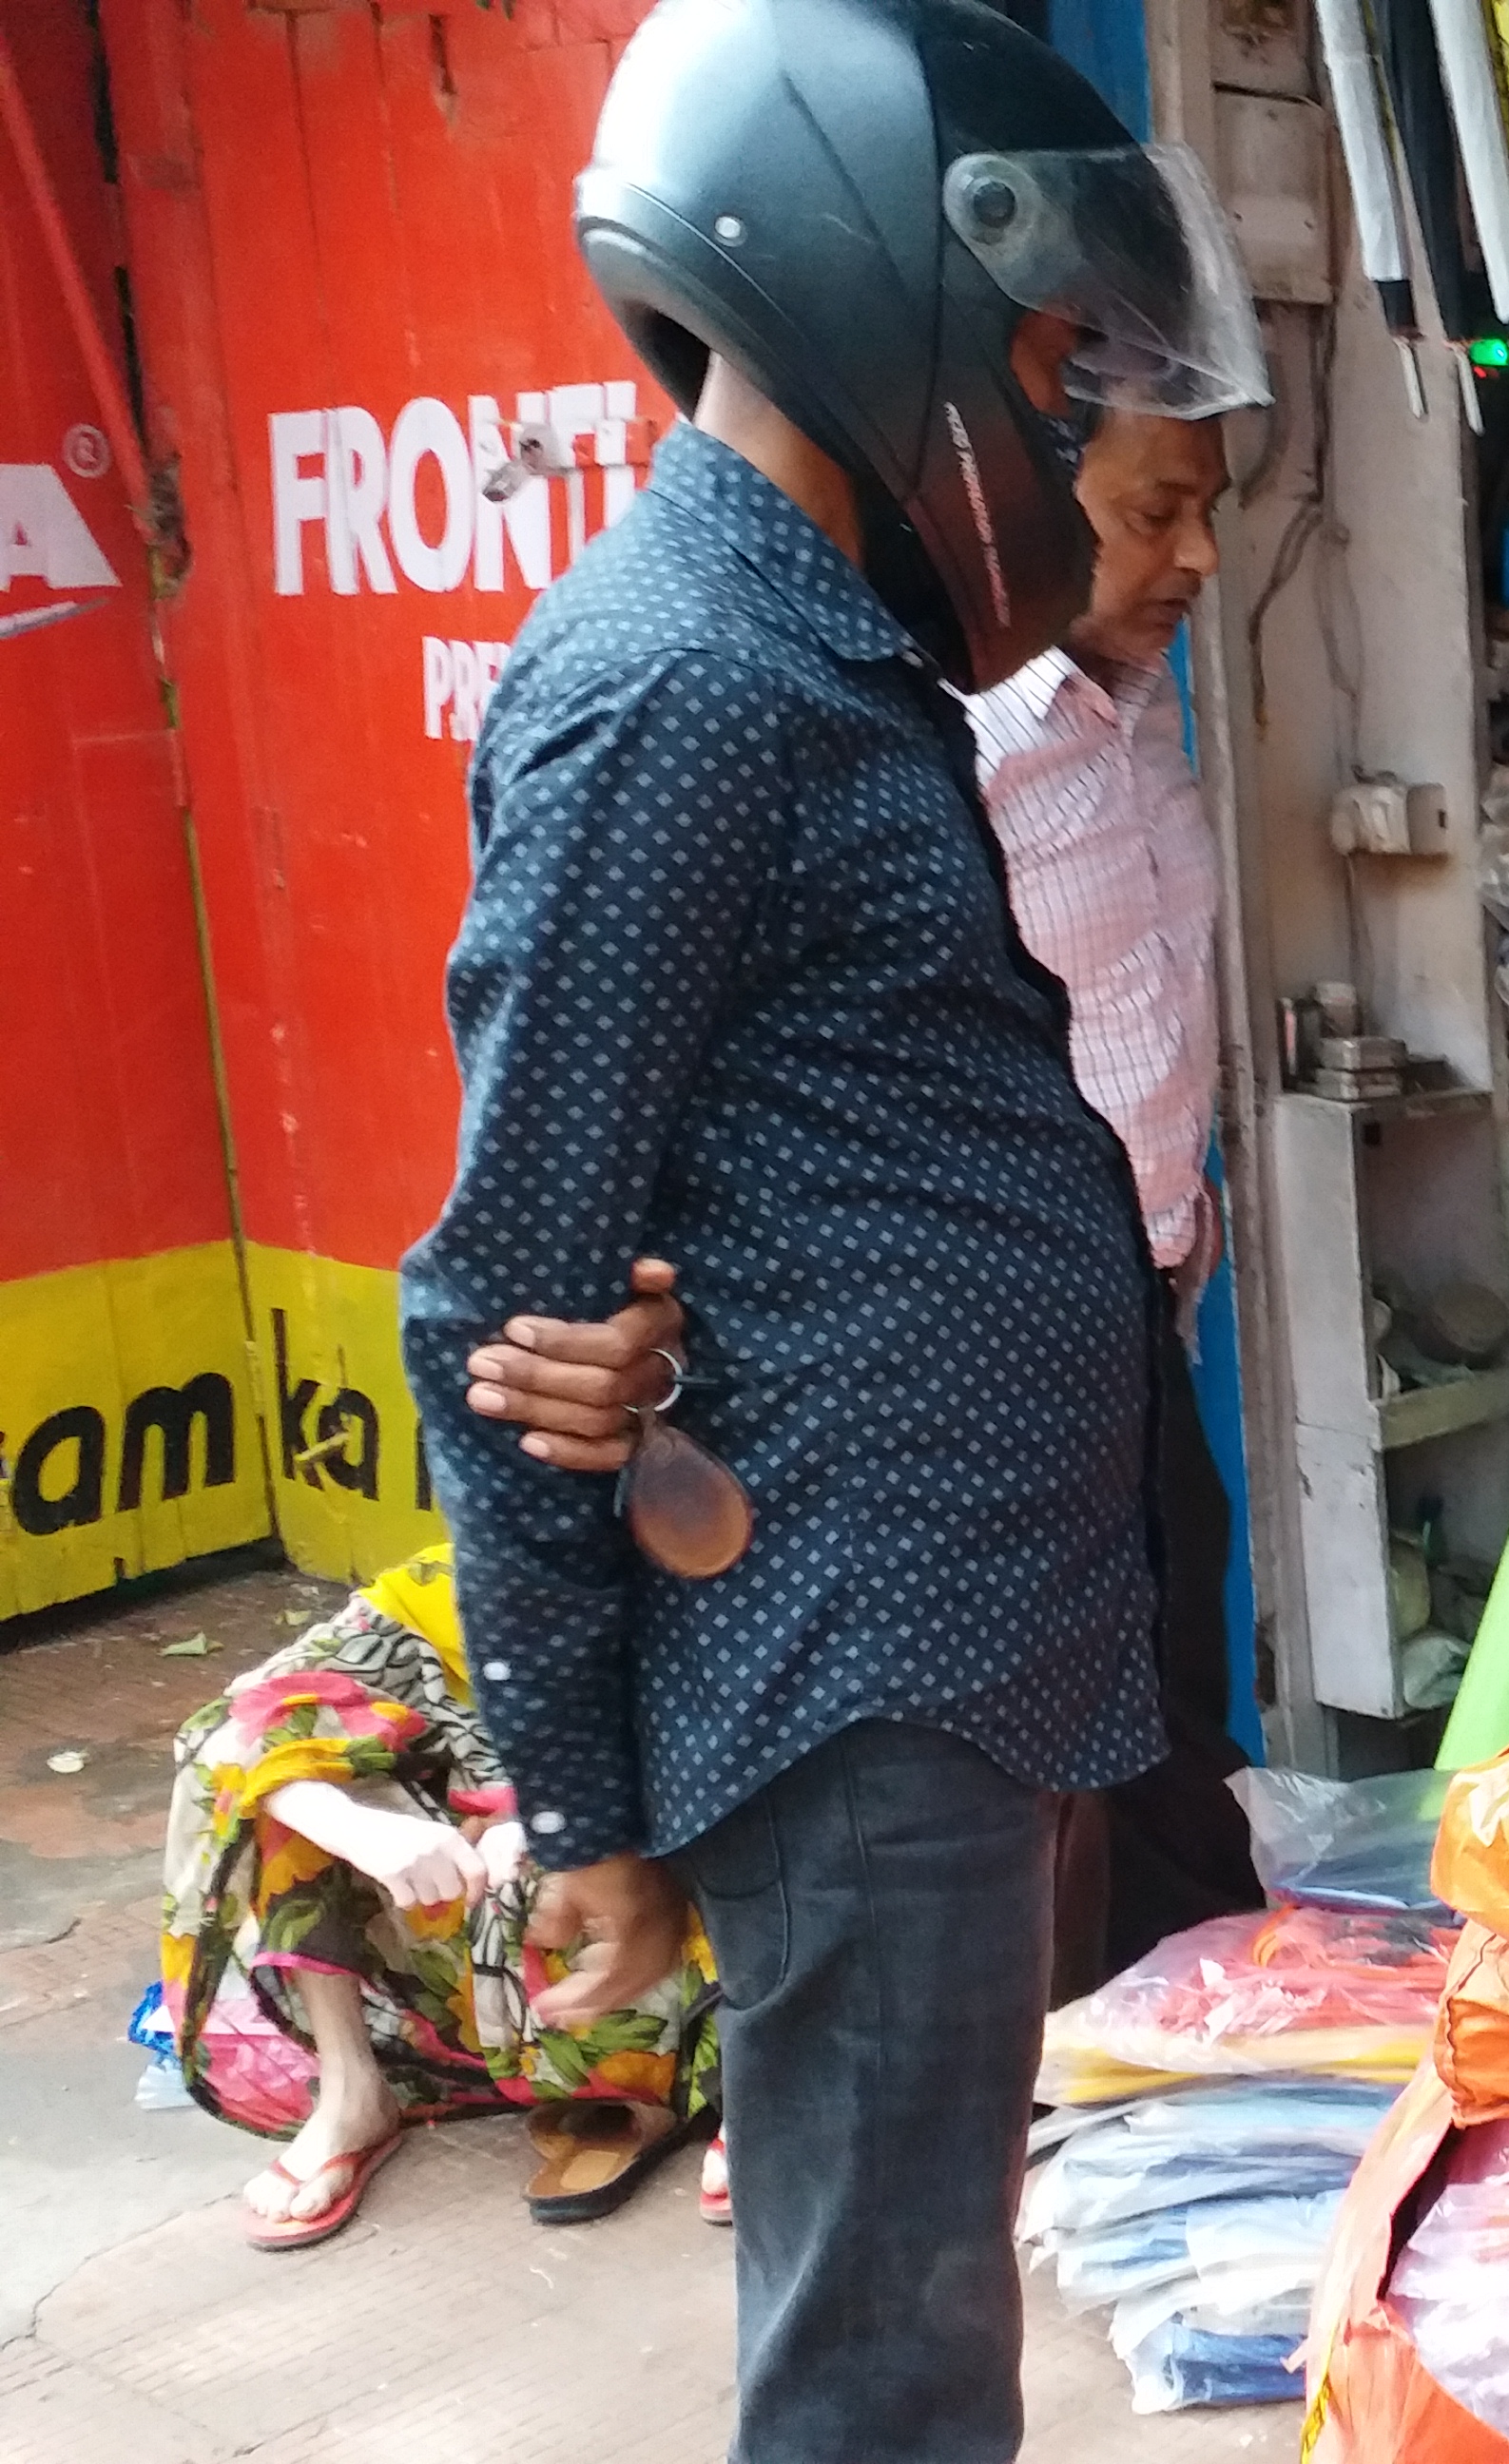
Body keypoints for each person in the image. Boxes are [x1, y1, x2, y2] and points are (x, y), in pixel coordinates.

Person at [395, 0, 1266, 2454]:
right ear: (882, 282)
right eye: (1059, 359)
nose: (1075, 411)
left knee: (916, 2324)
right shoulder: (689, 685)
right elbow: (512, 1280)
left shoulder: (816, 652)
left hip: (943, 1645)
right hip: (855, 1664)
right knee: (883, 2376)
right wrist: (590, 1807)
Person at [460, 400, 1258, 2002]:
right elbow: (542, 1232)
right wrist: (577, 1796)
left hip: (1112, 1370)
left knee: (1154, 1804)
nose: (1196, 555)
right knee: (918, 1987)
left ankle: (1137, 2140)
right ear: (1015, 480)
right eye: (1153, 506)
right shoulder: (778, 708)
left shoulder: (1121, 712)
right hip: (894, 1515)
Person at [160, 1546, 724, 2249]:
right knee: (288, 1778)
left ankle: (747, 2089)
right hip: (478, 1951)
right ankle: (353, 2092)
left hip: (661, 1923)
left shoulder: (720, 1573)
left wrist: (556, 1820)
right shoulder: (454, 1587)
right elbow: (229, 1724)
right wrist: (356, 1826)